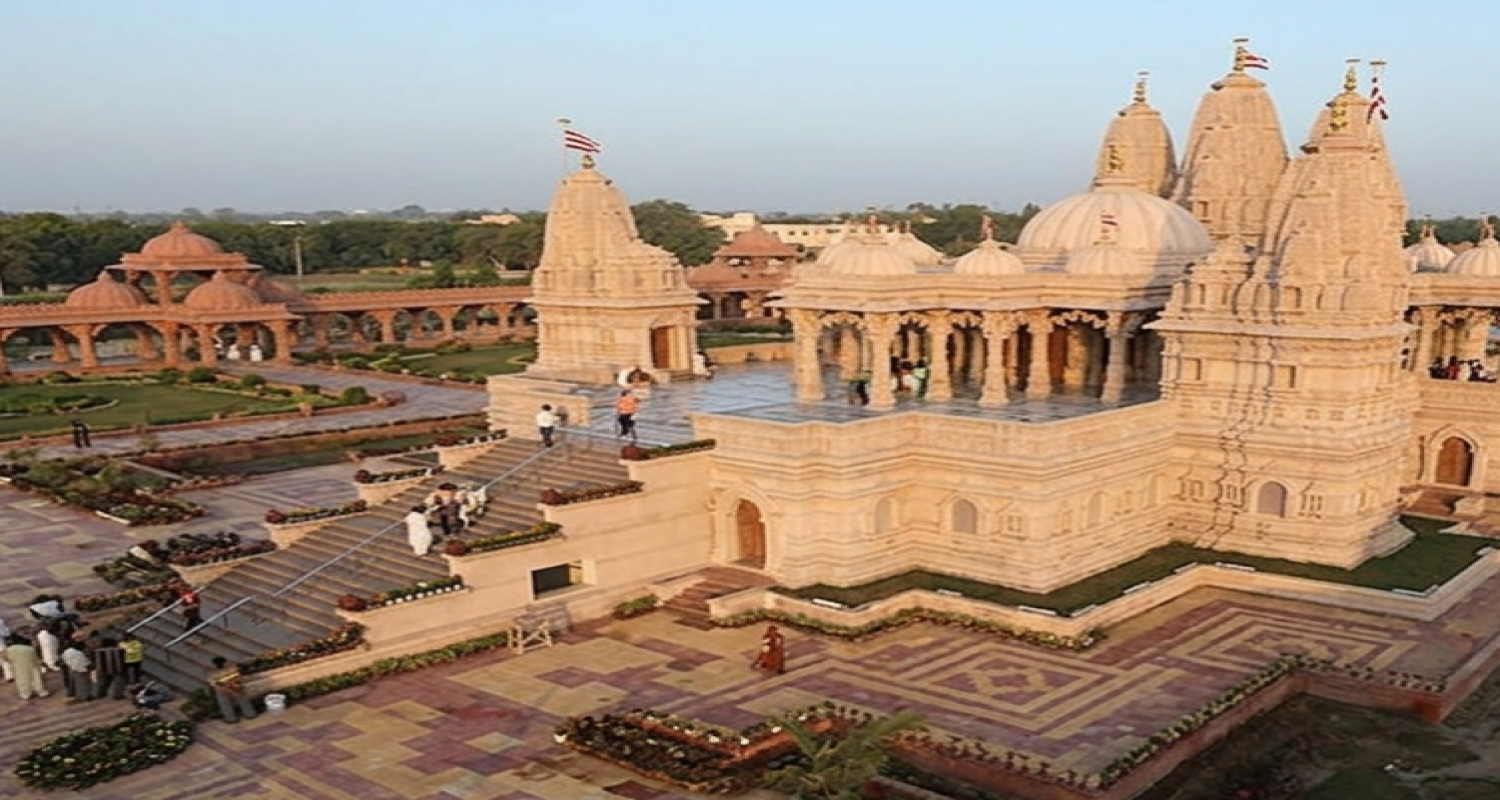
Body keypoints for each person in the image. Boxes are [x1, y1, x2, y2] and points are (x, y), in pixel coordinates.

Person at [209, 656, 257, 723]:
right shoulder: (232, 669)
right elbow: (238, 677)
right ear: (225, 662)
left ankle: (231, 719)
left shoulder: (213, 673)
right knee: (243, 701)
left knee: (225, 704)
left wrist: (225, 686)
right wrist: (236, 685)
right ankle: (250, 714)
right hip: (234, 686)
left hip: (222, 689)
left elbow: (213, 683)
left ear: (215, 664)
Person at [4, 635, 48, 700]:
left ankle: (26, 694)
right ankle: (41, 691)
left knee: (22, 679)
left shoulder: (9, 649)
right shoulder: (30, 649)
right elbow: (36, 658)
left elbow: (5, 657)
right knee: (36, 677)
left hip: (18, 666)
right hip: (32, 665)